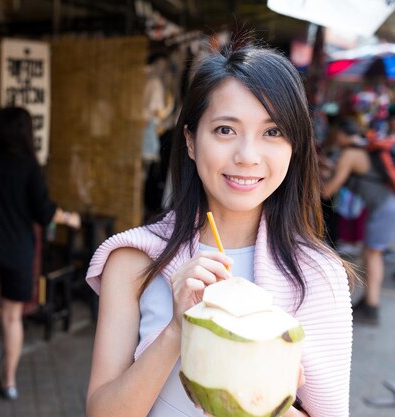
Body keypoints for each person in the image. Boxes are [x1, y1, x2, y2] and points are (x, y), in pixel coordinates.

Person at [85, 42, 353, 417]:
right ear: (192, 141)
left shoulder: (319, 275)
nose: (247, 155)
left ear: (295, 146)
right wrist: (178, 330)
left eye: (272, 132)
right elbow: (102, 412)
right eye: (225, 129)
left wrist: (262, 395)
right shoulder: (133, 261)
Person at [0, 106, 80, 400]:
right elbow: (43, 212)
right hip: (18, 250)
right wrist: (68, 217)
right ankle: (8, 382)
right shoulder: (29, 166)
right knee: (12, 317)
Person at [322, 117, 395, 325]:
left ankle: (371, 306)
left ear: (340, 134)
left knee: (373, 254)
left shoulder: (350, 153)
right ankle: (368, 301)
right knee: (369, 252)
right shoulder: (362, 147)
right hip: (385, 206)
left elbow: (327, 191)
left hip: (384, 208)